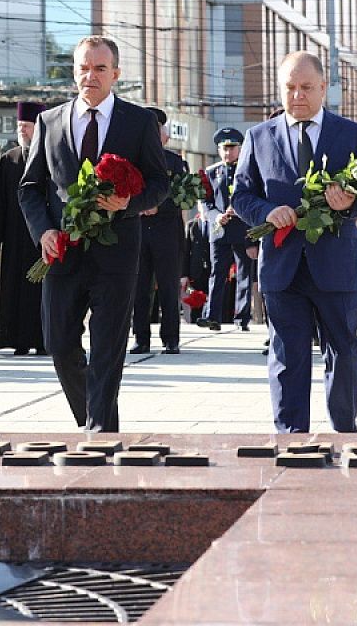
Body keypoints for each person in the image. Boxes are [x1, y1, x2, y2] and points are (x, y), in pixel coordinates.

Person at [18, 35, 169, 432]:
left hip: (117, 254)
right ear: (73, 71)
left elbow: (159, 183)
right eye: (83, 67)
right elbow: (30, 188)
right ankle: (97, 419)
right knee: (59, 343)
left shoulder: (139, 122)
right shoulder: (50, 122)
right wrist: (44, 231)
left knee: (106, 348)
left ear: (115, 74)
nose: (91, 75)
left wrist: (128, 204)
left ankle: (99, 433)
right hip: (62, 251)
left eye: (100, 68)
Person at [232, 51, 357, 433]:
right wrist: (266, 212)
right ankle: (292, 439)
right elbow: (241, 195)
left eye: (306, 87)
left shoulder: (351, 134)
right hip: (282, 266)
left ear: (324, 87)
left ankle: (344, 430)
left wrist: (352, 202)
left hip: (335, 265)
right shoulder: (259, 137)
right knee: (287, 356)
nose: (297, 96)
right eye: (289, 88)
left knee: (343, 351)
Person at [0, 102, 46, 356]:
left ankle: (43, 340)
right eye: (20, 127)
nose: (23, 131)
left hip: (42, 239)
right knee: (14, 290)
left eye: (27, 126)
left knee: (42, 292)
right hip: (15, 238)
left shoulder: (51, 157)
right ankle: (18, 340)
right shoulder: (10, 160)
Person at [130, 107, 189, 355]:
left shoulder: (174, 162)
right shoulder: (131, 160)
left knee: (167, 286)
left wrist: (158, 206)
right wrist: (138, 206)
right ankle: (141, 338)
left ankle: (171, 338)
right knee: (139, 288)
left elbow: (183, 197)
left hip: (166, 231)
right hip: (138, 231)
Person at [200, 128, 254, 331]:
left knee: (243, 274)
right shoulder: (211, 172)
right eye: (224, 148)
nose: (227, 152)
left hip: (243, 228)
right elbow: (206, 202)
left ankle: (242, 318)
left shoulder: (248, 170)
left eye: (232, 148)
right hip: (220, 229)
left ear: (240, 149)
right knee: (217, 272)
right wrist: (216, 217)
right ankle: (212, 316)